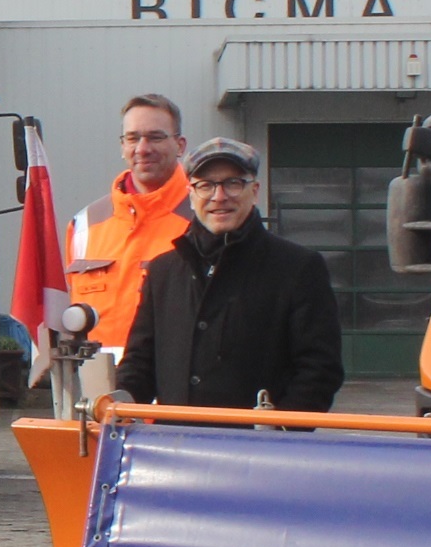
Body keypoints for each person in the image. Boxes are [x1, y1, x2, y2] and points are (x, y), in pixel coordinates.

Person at [115, 138, 346, 414]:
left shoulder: (298, 268)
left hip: (256, 440)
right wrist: (114, 408)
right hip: (175, 439)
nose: (219, 196)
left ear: (254, 191)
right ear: (191, 194)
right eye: (206, 185)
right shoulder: (163, 272)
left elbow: (320, 370)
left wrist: (280, 429)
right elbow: (139, 364)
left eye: (233, 183)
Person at [64, 93, 195, 365]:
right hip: (98, 384)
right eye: (133, 138)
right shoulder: (84, 225)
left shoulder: (204, 221)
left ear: (180, 145)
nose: (143, 149)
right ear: (122, 145)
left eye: (155, 137)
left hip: (173, 383)